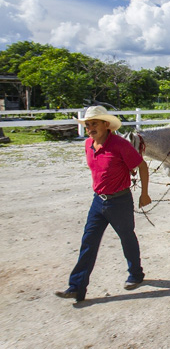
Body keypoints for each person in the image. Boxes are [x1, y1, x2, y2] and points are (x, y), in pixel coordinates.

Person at [55, 106, 151, 303]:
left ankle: (136, 273)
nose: (90, 128)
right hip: (98, 202)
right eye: (88, 124)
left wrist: (145, 194)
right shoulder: (88, 144)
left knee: (127, 238)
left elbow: (142, 165)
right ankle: (77, 287)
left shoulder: (120, 145)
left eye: (94, 124)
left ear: (106, 125)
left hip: (120, 201)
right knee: (88, 242)